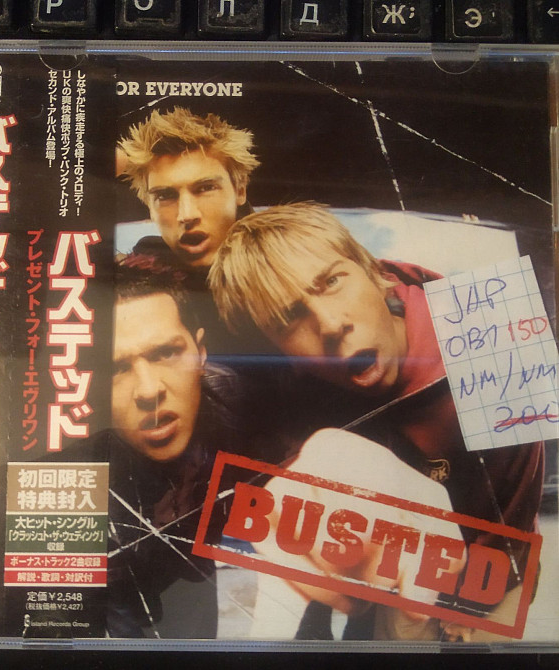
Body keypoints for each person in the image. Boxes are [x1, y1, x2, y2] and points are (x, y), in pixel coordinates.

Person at [208, 202, 544, 641]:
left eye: (332, 282)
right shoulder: (293, 381)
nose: (330, 324)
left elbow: (515, 515)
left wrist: (467, 611)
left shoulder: (491, 335)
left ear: (374, 272)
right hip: (386, 572)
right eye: (288, 318)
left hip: (495, 572)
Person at [95, 262, 247, 638]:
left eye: (165, 353)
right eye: (116, 368)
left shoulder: (233, 399)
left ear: (201, 351)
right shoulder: (85, 467)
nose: (149, 391)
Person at [117, 107, 263, 357]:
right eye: (165, 196)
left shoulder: (292, 261)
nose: (186, 214)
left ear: (240, 191)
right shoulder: (147, 265)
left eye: (205, 188)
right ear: (149, 206)